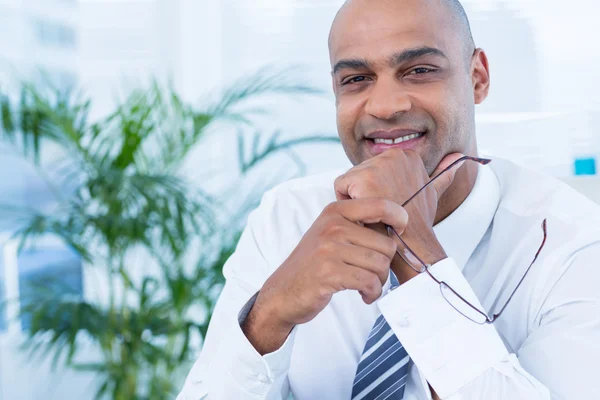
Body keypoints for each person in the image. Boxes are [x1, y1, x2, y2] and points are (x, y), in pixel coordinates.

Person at [177, 0, 600, 399]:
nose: (384, 106)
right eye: (357, 79)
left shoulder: (574, 245)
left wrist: (417, 254)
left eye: (419, 70)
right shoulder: (288, 217)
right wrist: (268, 317)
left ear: (478, 78)